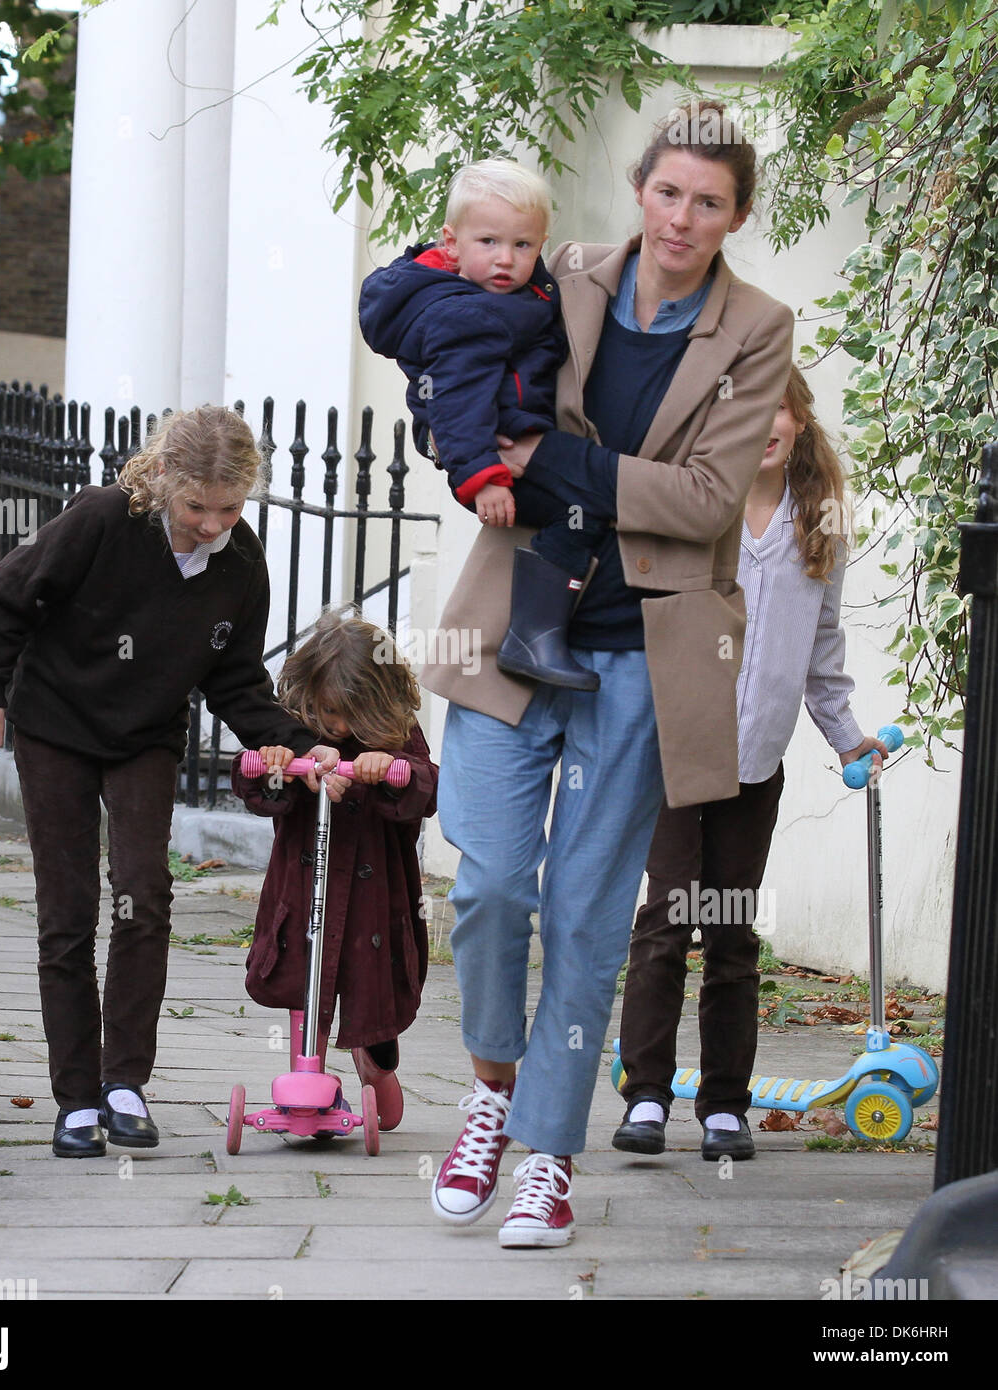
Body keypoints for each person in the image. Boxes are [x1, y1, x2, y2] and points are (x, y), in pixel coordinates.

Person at [419, 100, 795, 1248]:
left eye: (710, 202)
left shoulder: (757, 329)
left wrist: (563, 461)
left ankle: (548, 1155)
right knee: (487, 885)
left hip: (644, 653)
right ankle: (493, 1092)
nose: (683, 217)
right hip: (517, 618)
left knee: (585, 916)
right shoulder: (557, 272)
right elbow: (438, 333)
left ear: (736, 218)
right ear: (640, 189)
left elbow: (702, 501)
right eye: (668, 191)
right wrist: (469, 437)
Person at [0, 406, 338, 1158]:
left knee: (143, 895)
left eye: (229, 508)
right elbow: (5, 597)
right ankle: (74, 1101)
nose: (211, 523)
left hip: (144, 738)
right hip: (57, 726)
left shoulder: (237, 559)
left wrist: (299, 745)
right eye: (197, 506)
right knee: (66, 911)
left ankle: (124, 1083)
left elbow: (234, 678)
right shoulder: (101, 519)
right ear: (164, 477)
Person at [612, 365, 890, 1160]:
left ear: (799, 420)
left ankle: (725, 1106)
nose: (765, 422)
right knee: (666, 921)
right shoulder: (700, 512)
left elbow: (821, 648)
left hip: (755, 761)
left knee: (731, 931)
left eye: (781, 406)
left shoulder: (818, 523)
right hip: (679, 748)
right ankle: (647, 1098)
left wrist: (844, 734)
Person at [359, 158, 615, 693]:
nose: (507, 259)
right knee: (583, 510)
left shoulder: (499, 293)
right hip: (490, 457)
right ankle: (533, 637)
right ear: (451, 243)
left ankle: (537, 631)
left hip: (499, 443)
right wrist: (484, 477)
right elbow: (456, 399)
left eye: (524, 246)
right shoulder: (468, 315)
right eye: (489, 242)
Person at [232, 611, 438, 1127]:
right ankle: (308, 1074)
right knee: (306, 979)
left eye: (353, 713)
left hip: (375, 897)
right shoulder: (298, 733)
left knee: (374, 990)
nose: (341, 727)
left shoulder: (397, 734)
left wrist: (390, 771)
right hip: (305, 891)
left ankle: (377, 1067)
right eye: (329, 711)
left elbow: (427, 786)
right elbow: (252, 777)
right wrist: (276, 766)